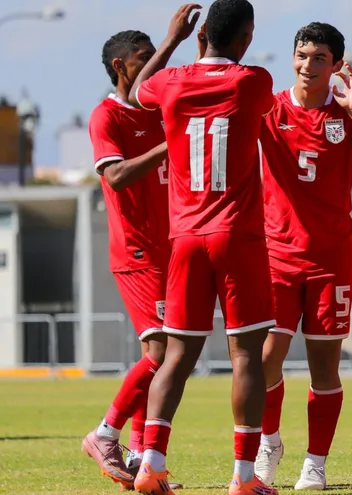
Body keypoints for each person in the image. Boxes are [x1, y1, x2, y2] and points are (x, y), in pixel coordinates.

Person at [127, 2, 278, 494]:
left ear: (202, 33)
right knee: (246, 356)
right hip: (237, 236)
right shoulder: (253, 81)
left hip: (186, 238)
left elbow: (137, 91)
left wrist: (172, 41)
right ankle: (244, 477)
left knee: (176, 356)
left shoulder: (171, 82)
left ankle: (151, 464)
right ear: (247, 36)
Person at [254, 22, 352, 490]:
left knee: (324, 366)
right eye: (302, 55)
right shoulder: (269, 109)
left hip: (331, 260)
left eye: (319, 58)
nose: (307, 65)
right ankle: (269, 443)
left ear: (336, 65)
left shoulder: (347, 112)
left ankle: (315, 462)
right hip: (276, 255)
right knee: (265, 357)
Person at [83, 29, 182, 492]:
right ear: (121, 67)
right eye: (146, 58)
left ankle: (141, 458)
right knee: (161, 352)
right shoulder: (105, 116)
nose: (156, 65)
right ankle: (105, 434)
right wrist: (170, 144)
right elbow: (117, 176)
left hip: (172, 247)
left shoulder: (160, 110)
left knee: (161, 358)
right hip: (137, 251)